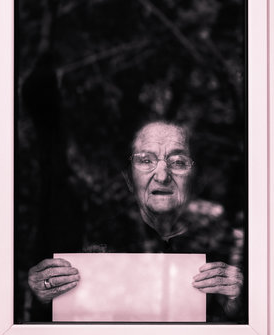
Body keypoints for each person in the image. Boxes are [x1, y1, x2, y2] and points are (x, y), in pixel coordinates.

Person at [28, 120, 245, 321]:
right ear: (129, 179)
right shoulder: (91, 240)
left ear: (196, 179)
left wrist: (239, 301)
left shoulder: (226, 242)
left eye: (178, 162)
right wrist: (42, 292)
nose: (162, 176)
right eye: (145, 160)